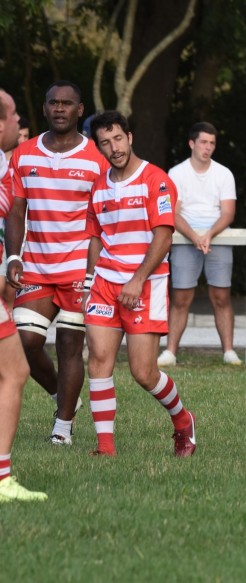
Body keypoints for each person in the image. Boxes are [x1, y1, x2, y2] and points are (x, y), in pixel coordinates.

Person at [83, 110, 196, 458]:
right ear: (98, 147)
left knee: (143, 372)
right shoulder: (98, 186)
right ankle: (105, 448)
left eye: (118, 138)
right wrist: (89, 281)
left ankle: (183, 420)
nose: (114, 147)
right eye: (105, 142)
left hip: (145, 284)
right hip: (105, 283)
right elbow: (97, 238)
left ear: (130, 137)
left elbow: (163, 236)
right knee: (98, 360)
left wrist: (137, 280)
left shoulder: (155, 180)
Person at [5, 81, 109, 446]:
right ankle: (63, 397)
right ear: (45, 108)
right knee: (25, 342)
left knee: (68, 343)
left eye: (67, 103)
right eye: (53, 103)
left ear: (80, 110)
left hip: (79, 268)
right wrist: (13, 256)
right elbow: (15, 211)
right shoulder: (24, 154)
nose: (59, 108)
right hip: (36, 265)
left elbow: (103, 219)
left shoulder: (97, 158)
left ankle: (62, 427)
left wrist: (97, 271)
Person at [157, 122, 240, 367]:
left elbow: (228, 213)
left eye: (212, 143)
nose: (208, 147)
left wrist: (209, 234)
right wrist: (194, 236)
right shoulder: (176, 173)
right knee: (181, 297)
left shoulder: (224, 173)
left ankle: (229, 352)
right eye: (203, 142)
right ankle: (170, 352)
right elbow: (173, 213)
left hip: (219, 237)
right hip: (185, 238)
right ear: (191, 143)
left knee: (221, 296)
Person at [0, 89, 47, 502]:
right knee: (15, 372)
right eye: (14, 114)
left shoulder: (7, 163)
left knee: (14, 371)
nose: (19, 122)